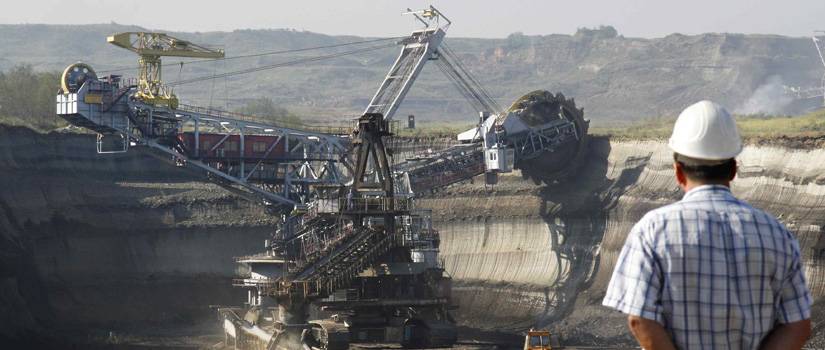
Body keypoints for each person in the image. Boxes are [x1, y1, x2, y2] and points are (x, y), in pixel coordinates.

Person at [602, 100, 812, 349]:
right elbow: (798, 325)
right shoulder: (777, 234)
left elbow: (639, 320)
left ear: (678, 171)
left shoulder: (651, 231)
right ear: (733, 169)